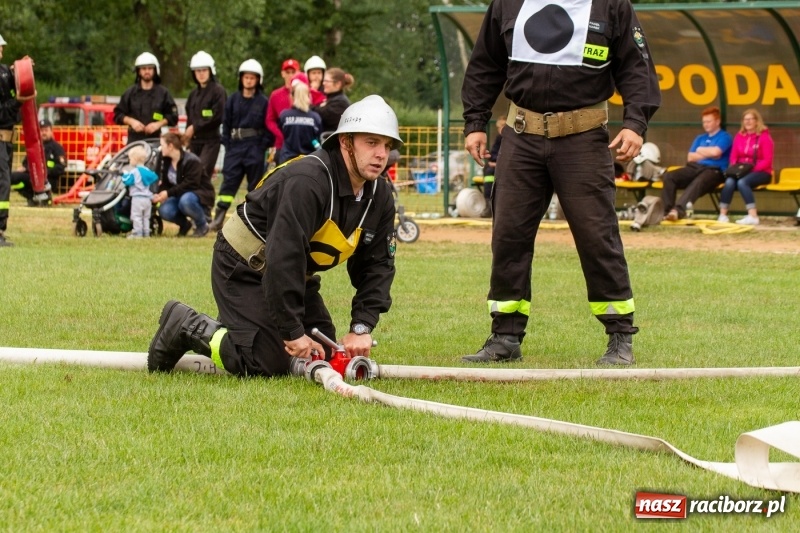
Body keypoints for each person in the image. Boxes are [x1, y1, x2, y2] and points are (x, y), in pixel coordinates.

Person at [460, 1, 661, 366]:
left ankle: (619, 337)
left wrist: (635, 122)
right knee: (509, 235)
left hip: (583, 138)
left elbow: (637, 67)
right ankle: (505, 335)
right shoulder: (508, 3)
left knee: (597, 236)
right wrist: (475, 122)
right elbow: (485, 64)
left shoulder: (611, 5)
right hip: (521, 136)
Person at [147, 95, 401, 377]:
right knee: (269, 360)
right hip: (243, 264)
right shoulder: (308, 183)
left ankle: (246, 324)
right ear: (345, 142)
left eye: (387, 145)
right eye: (371, 142)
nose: (382, 154)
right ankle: (188, 325)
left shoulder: (379, 195)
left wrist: (361, 327)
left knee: (324, 351)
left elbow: (378, 264)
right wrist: (292, 332)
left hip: (289, 274)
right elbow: (284, 257)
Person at [208, 59, 272, 231]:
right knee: (228, 183)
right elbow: (225, 124)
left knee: (255, 186)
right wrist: (228, 145)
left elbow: (268, 125)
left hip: (255, 148)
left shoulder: (263, 102)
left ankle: (254, 221)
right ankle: (218, 218)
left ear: (259, 80)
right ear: (241, 79)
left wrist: (262, 146)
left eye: (252, 77)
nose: (249, 80)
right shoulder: (233, 99)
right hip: (234, 147)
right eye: (246, 77)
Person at [661, 106, 732, 221]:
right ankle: (665, 212)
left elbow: (716, 152)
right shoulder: (700, 138)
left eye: (709, 121)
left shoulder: (725, 137)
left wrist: (700, 150)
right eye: (704, 122)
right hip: (695, 167)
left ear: (718, 121)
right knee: (669, 176)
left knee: (699, 181)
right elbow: (690, 157)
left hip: (714, 171)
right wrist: (709, 153)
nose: (706, 124)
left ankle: (678, 211)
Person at [1, 34, 36, 247]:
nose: (1, 51)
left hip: (6, 142)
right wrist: (17, 102)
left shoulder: (3, 71)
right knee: (1, 184)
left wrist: (24, 68)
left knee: (3, 186)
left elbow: (13, 76)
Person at [717, 109, 774, 225]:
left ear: (757, 121)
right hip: (741, 170)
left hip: (762, 171)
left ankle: (753, 216)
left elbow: (767, 161)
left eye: (750, 119)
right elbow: (733, 156)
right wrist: (735, 167)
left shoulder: (765, 137)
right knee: (729, 182)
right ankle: (723, 215)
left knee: (742, 182)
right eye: (745, 119)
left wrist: (751, 170)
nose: (747, 122)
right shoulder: (739, 136)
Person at [152, 132, 215, 237]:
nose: (160, 148)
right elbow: (165, 182)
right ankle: (185, 225)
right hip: (179, 195)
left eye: (162, 145)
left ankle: (202, 225)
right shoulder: (165, 160)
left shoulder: (192, 160)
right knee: (164, 210)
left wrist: (168, 193)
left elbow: (191, 184)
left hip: (198, 195)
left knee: (186, 201)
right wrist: (159, 193)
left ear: (170, 146)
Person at [114, 52, 179, 144]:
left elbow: (173, 116)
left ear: (155, 70)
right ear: (138, 71)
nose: (147, 71)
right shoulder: (130, 93)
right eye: (144, 68)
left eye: (150, 68)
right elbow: (118, 114)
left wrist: (157, 124)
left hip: (155, 141)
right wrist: (132, 122)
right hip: (134, 142)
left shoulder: (163, 93)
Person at [182, 51, 226, 181]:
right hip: (194, 142)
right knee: (190, 173)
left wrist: (195, 127)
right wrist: (187, 138)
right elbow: (189, 117)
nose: (201, 73)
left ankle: (204, 200)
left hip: (210, 142)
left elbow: (218, 116)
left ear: (211, 70)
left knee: (202, 173)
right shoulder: (193, 94)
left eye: (204, 70)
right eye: (197, 70)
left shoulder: (218, 91)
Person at [10, 119, 66, 206]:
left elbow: (61, 168)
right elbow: (26, 164)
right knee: (12, 178)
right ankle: (31, 197)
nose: (43, 133)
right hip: (32, 177)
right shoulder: (34, 147)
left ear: (51, 131)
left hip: (48, 180)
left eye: (46, 130)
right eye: (41, 130)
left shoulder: (57, 148)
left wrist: (45, 172)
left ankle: (46, 198)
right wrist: (23, 169)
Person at [277, 81, 322, 164]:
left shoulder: (284, 115)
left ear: (292, 96)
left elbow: (282, 131)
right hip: (309, 161)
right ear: (308, 96)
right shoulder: (315, 117)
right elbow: (318, 137)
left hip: (287, 160)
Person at [121, 145, 158, 238]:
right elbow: (154, 177)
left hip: (137, 199)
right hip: (147, 199)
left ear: (134, 159)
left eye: (130, 159)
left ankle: (137, 233)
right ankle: (146, 233)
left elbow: (127, 180)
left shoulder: (134, 172)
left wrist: (124, 174)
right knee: (146, 217)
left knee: (137, 217)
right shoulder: (147, 170)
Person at [265, 58, 301, 154]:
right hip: (281, 144)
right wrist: (281, 135)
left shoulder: (305, 93)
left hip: (301, 143)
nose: (290, 75)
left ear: (298, 73)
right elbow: (269, 120)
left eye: (293, 72)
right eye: (287, 72)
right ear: (282, 73)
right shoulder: (275, 95)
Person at [314, 67, 354, 134]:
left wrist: (307, 106)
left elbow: (322, 115)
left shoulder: (341, 102)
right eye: (323, 81)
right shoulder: (331, 99)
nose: (323, 83)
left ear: (338, 84)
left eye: (327, 81)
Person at [480, 116, 505, 218]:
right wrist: (495, 162)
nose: (501, 129)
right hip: (496, 168)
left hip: (509, 168)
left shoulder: (513, 141)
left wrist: (498, 163)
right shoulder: (499, 139)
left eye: (504, 126)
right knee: (488, 170)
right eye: (499, 127)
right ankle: (489, 204)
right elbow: (493, 154)